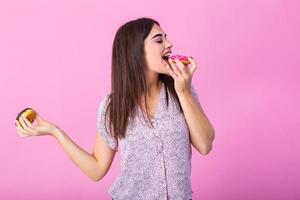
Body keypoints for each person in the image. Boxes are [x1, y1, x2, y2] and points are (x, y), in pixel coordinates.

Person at [15, 17, 215, 200]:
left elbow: (205, 145)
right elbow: (96, 170)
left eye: (166, 38)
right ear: (136, 51)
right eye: (158, 40)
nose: (169, 44)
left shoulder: (182, 90)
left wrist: (185, 92)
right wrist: (55, 132)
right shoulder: (113, 106)